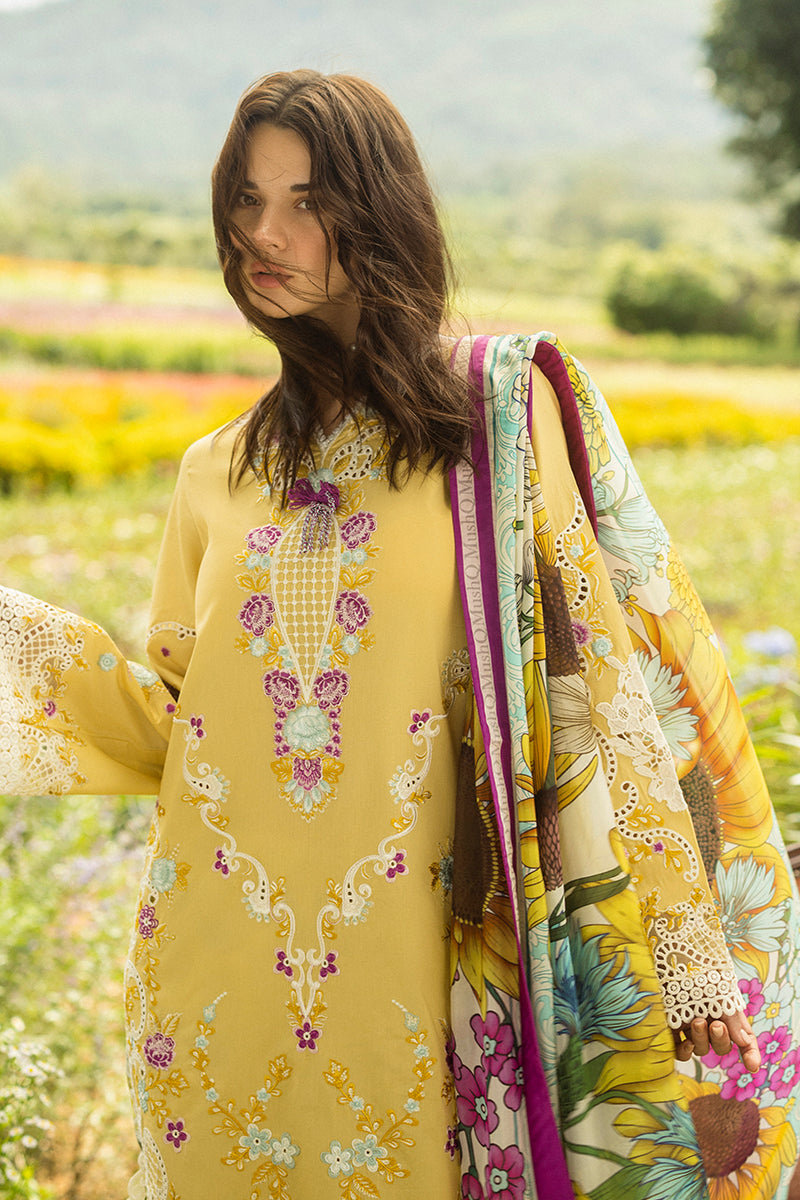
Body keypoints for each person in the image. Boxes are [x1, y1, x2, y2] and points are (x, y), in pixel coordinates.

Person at [1, 67, 798, 1200]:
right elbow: (185, 726)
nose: (263, 235)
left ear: (379, 216)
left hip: (445, 964)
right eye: (244, 199)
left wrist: (678, 944)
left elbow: (603, 683)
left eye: (306, 200)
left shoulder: (496, 425)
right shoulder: (214, 474)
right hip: (228, 973)